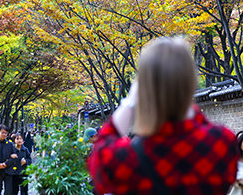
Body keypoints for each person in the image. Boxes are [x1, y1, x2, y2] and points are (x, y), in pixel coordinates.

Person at [88, 37, 238, 194]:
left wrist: (129, 102)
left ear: (143, 88)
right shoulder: (221, 143)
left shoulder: (126, 159)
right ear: (191, 82)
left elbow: (99, 161)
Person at [0, 125, 18, 195]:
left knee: (8, 191)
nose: (4, 134)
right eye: (2, 132)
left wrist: (6, 164)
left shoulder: (10, 144)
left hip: (8, 170)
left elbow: (13, 156)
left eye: (6, 133)